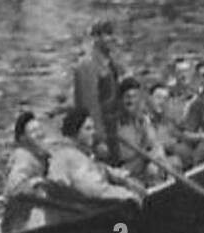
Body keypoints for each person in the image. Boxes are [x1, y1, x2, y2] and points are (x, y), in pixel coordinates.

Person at [48, 107, 145, 203]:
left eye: (93, 128)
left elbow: (106, 170)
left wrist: (126, 179)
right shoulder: (62, 156)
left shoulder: (88, 156)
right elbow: (59, 187)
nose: (93, 132)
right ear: (75, 132)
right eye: (88, 129)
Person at [73, 19, 122, 162]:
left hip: (113, 127)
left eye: (112, 34)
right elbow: (90, 105)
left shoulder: (109, 61)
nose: (112, 39)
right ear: (96, 37)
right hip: (100, 131)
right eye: (107, 34)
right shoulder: (88, 64)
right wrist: (99, 139)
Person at [113, 77, 166, 180]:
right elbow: (127, 156)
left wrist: (154, 156)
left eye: (134, 97)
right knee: (153, 168)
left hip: (145, 162)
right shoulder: (117, 126)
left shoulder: (142, 119)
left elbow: (154, 143)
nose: (131, 101)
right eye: (127, 97)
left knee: (172, 162)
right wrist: (149, 154)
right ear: (121, 100)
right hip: (126, 171)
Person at [3, 111, 52, 200]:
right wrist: (38, 183)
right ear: (23, 139)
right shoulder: (24, 157)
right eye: (33, 132)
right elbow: (14, 188)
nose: (40, 134)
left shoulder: (42, 155)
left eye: (40, 129)